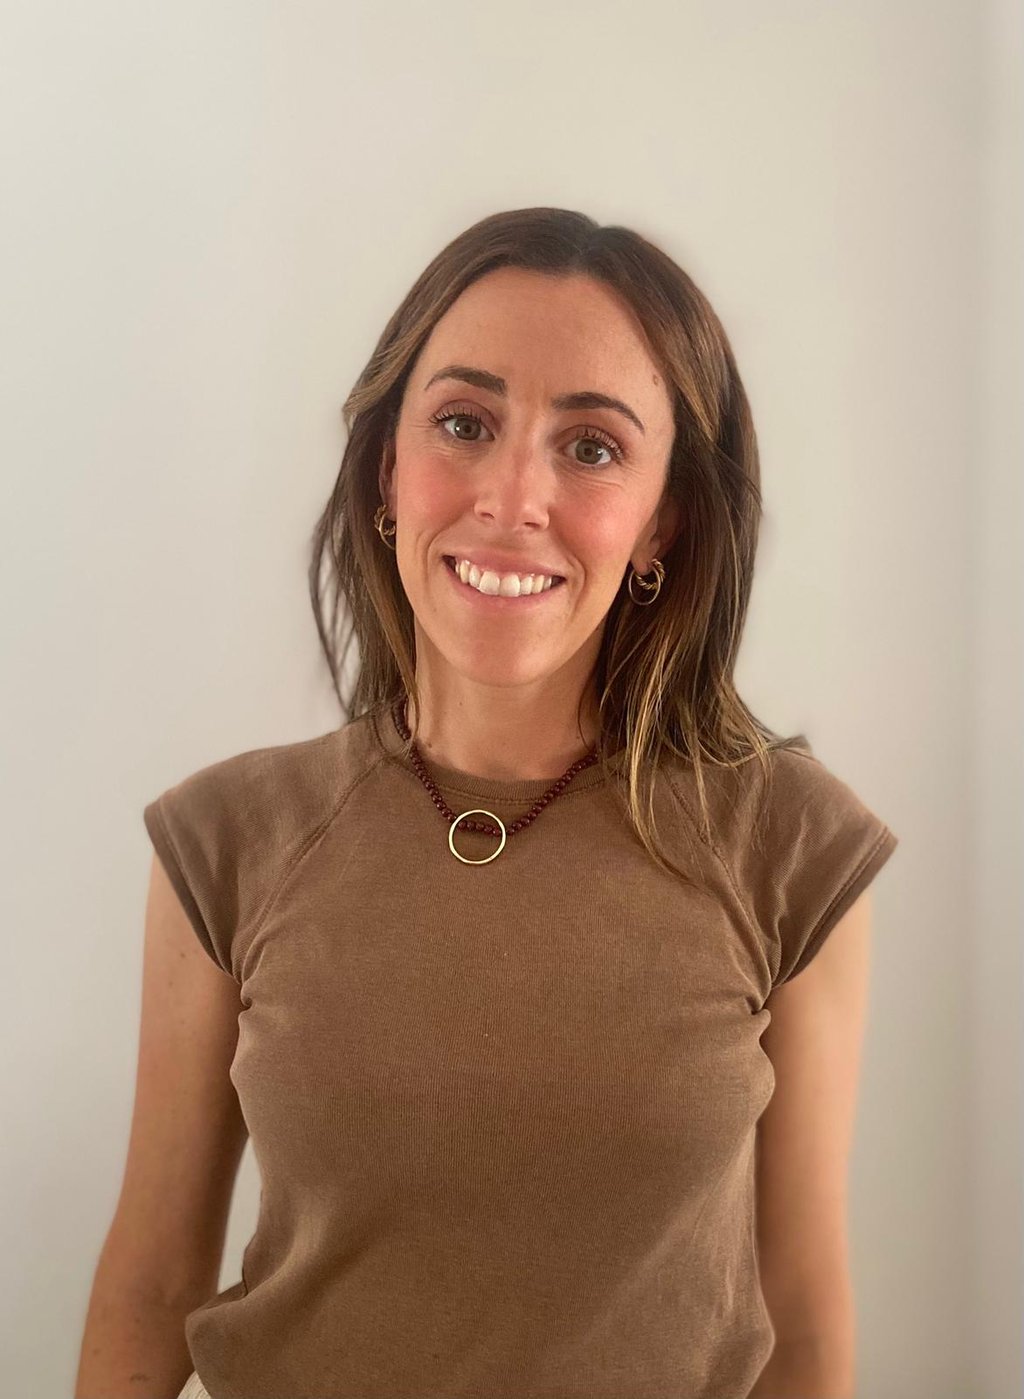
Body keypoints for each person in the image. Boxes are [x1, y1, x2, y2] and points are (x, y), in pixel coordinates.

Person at [77, 207, 899, 1399]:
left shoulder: (790, 849)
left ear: (664, 520)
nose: (513, 498)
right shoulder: (225, 842)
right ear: (386, 468)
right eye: (464, 423)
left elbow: (804, 1322)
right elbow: (153, 1286)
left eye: (592, 447)